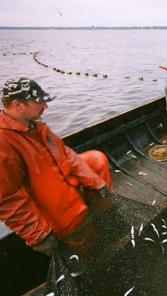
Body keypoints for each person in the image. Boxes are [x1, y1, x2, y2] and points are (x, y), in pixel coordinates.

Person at [0, 78, 112, 256]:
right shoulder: (4, 142)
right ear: (17, 104)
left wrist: (95, 182)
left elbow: (65, 153)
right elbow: (6, 200)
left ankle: (98, 212)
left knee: (96, 159)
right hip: (51, 206)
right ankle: (90, 251)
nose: (45, 106)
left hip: (61, 180)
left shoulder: (33, 124)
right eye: (39, 102)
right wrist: (38, 235)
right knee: (82, 233)